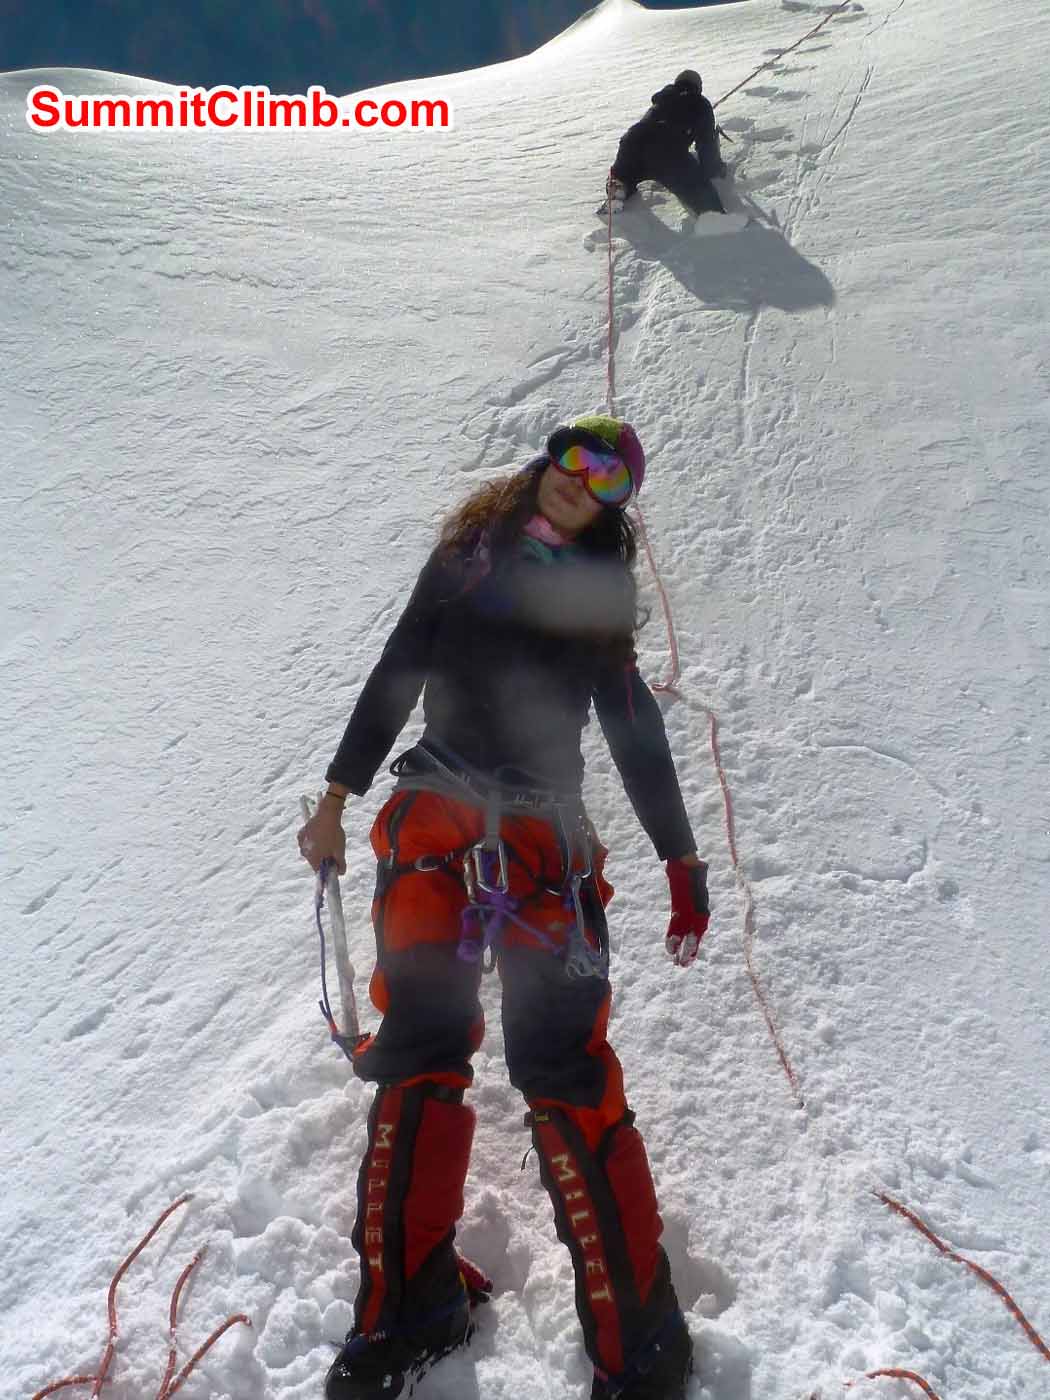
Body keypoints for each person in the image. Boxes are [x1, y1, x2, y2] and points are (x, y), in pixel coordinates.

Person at [297, 415, 712, 1400]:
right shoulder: (466, 558)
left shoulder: (596, 592)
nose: (581, 478)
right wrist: (333, 799)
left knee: (563, 1069)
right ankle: (410, 1308)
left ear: (618, 506)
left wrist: (680, 851)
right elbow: (401, 663)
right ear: (544, 460)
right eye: (572, 454)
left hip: (537, 842)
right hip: (439, 819)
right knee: (422, 1052)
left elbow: (627, 717)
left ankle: (633, 1337)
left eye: (608, 476)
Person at [605, 69, 728, 217]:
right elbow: (706, 144)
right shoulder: (700, 103)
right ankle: (714, 217)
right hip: (667, 152)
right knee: (706, 202)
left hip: (632, 142)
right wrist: (714, 168)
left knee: (625, 174)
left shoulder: (662, 99)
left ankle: (619, 187)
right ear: (698, 87)